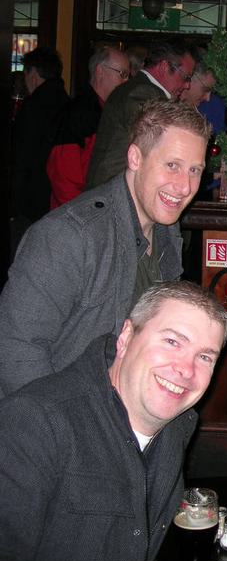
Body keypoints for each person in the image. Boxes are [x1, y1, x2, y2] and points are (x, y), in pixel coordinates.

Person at [0, 281, 227, 561]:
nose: (186, 369)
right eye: (172, 342)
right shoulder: (34, 422)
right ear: (125, 337)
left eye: (205, 357)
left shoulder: (177, 426)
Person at [0, 99, 211, 398]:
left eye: (194, 170)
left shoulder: (166, 232)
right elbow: (15, 348)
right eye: (172, 166)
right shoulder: (69, 235)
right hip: (62, 411)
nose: (185, 186)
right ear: (135, 158)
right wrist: (61, 422)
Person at [86, 40, 195, 188]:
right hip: (115, 191)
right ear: (164, 66)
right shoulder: (141, 93)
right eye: (186, 77)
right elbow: (161, 142)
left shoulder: (138, 88)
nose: (187, 85)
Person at [46, 45, 131, 208]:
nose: (126, 81)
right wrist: (83, 213)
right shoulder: (78, 114)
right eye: (122, 74)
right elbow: (63, 178)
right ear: (100, 71)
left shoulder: (108, 111)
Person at [11, 47, 69, 235]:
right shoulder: (69, 104)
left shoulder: (32, 107)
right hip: (59, 198)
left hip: (31, 202)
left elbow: (21, 158)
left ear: (33, 74)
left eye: (25, 74)